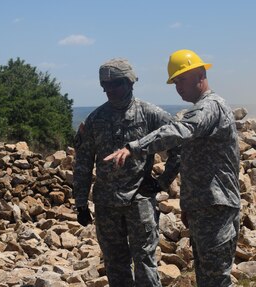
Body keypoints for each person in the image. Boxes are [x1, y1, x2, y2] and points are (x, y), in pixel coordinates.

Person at [104, 49, 241, 287]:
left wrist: (135, 147)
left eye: (182, 79)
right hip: (205, 208)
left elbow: (180, 130)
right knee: (207, 279)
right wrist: (189, 205)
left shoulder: (210, 107)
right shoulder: (203, 106)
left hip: (216, 209)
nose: (178, 87)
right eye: (175, 82)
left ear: (200, 74)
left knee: (216, 281)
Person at [73, 58, 180, 287]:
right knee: (115, 264)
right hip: (106, 205)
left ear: (130, 82)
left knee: (145, 263)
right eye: (106, 85)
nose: (110, 90)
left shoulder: (150, 114)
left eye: (116, 84)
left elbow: (178, 146)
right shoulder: (95, 120)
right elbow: (83, 162)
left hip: (138, 202)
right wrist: (80, 203)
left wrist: (161, 183)